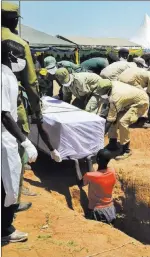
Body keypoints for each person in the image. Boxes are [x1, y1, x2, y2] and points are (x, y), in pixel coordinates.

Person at [2, 2, 60, 207]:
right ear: (14, 20)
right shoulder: (17, 43)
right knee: (13, 154)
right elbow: (31, 82)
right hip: (9, 104)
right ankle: (11, 204)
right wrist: (37, 111)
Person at [1, 39, 40, 243]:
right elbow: (5, 115)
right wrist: (25, 140)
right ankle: (5, 229)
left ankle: (7, 217)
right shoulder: (3, 77)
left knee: (6, 182)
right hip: (4, 139)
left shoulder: (8, 75)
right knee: (8, 182)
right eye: (21, 58)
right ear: (11, 57)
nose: (24, 63)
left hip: (7, 136)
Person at [102, 81, 150, 160]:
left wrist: (102, 134)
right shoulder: (111, 84)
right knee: (114, 120)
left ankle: (126, 150)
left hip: (141, 102)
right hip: (130, 101)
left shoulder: (115, 97)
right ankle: (112, 144)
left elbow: (110, 119)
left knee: (122, 122)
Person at [82, 149, 116, 224]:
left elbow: (81, 182)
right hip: (111, 209)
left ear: (97, 160)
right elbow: (95, 174)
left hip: (97, 212)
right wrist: (89, 161)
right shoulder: (112, 172)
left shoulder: (90, 175)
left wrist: (76, 163)